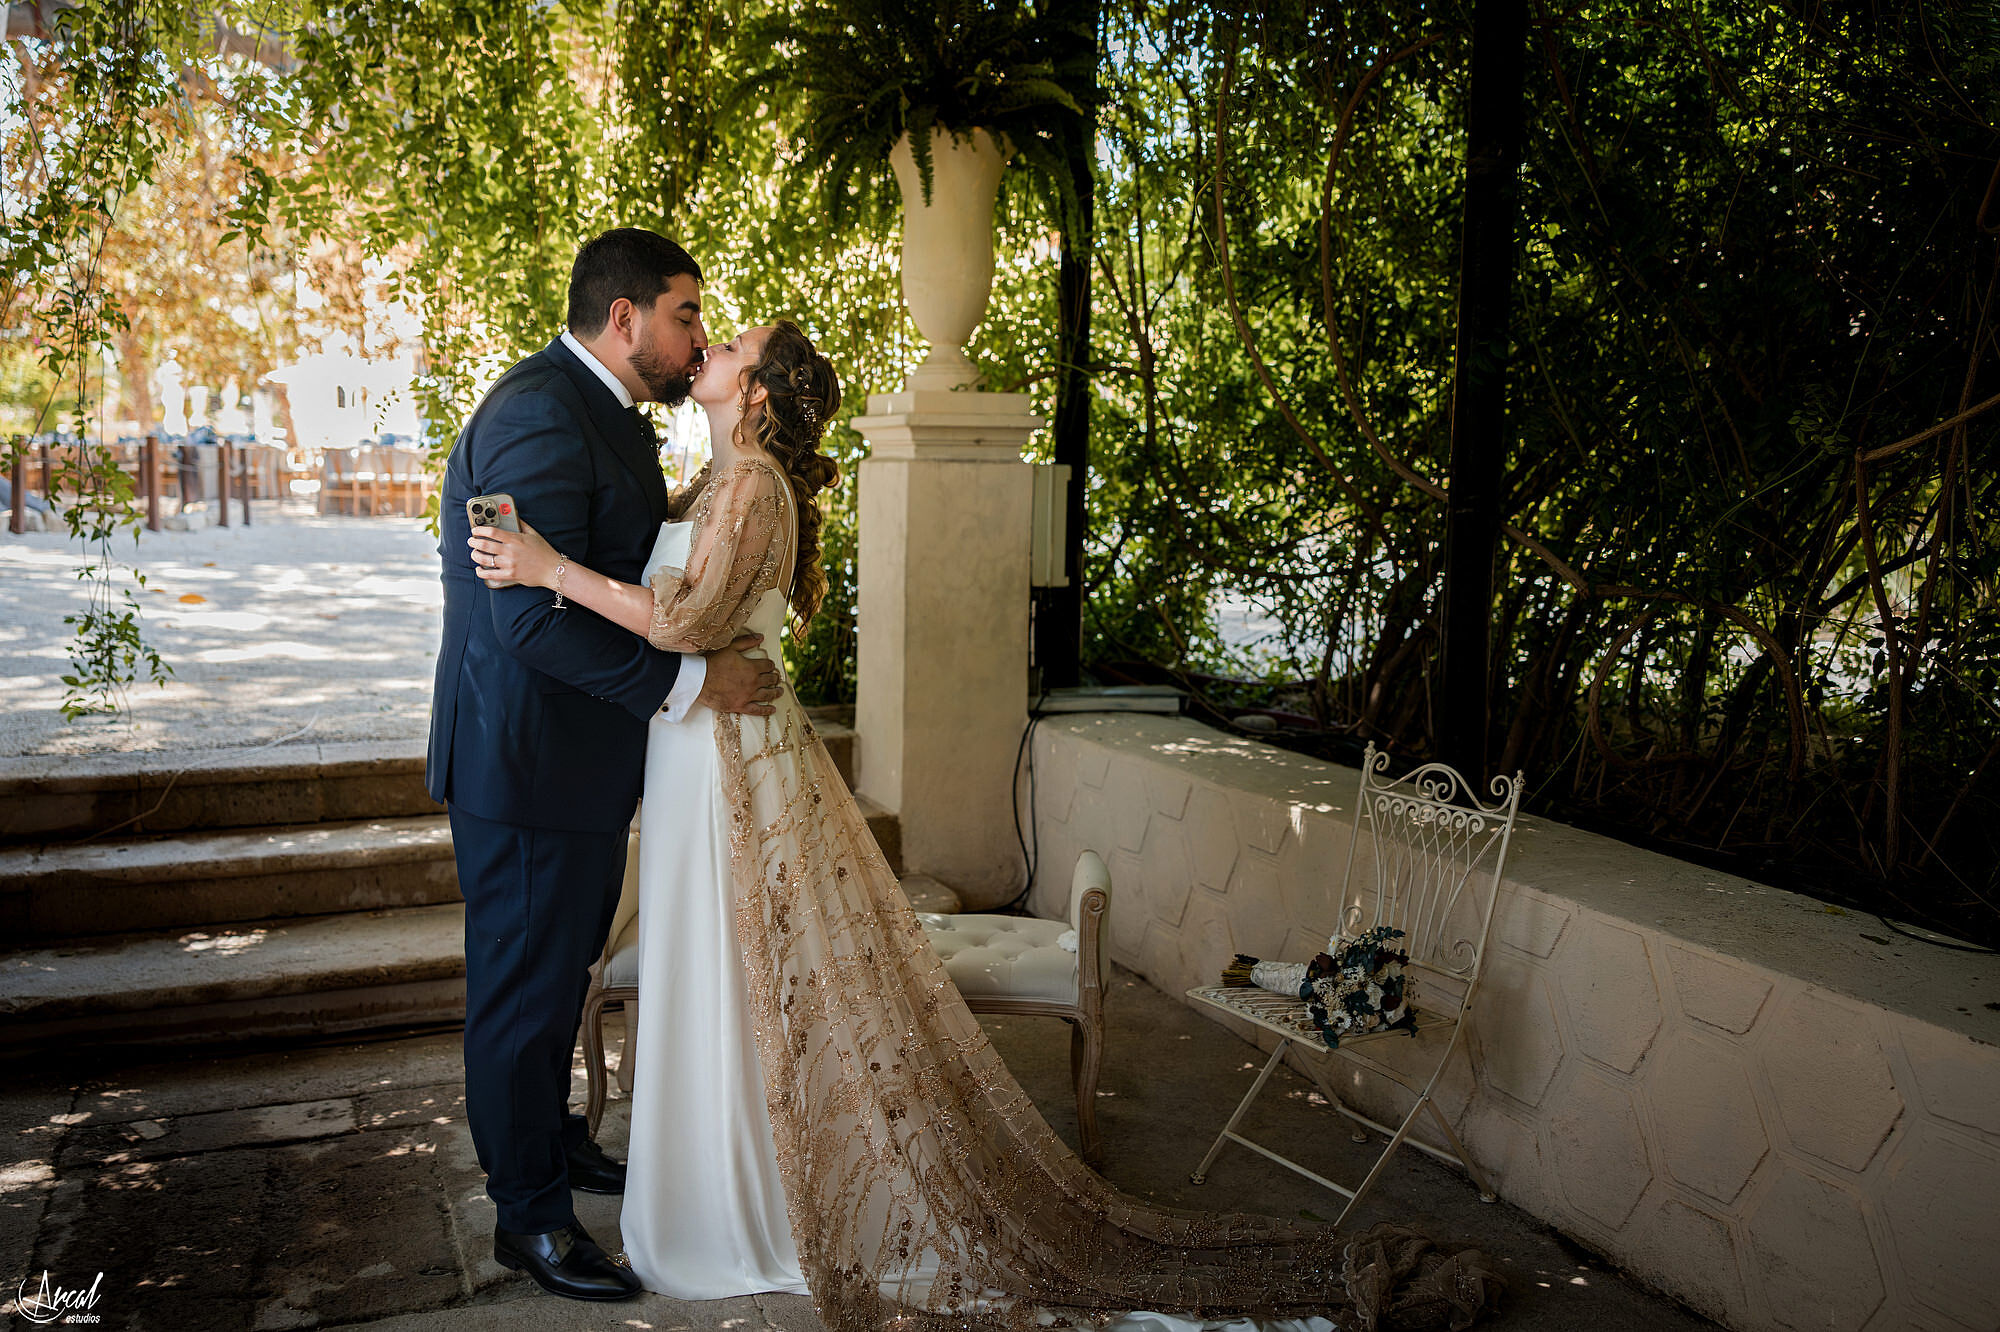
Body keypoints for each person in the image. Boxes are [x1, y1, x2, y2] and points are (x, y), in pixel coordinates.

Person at [469, 318, 1502, 1331]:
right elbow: (696, 619)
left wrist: (547, 569)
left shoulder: (749, 486)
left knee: (749, 976)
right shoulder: (710, 482)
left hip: (730, 766)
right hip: (698, 748)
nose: (709, 343)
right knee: (731, 977)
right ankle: (731, 1177)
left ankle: (751, 1202)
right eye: (707, 326)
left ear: (759, 395)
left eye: (729, 343)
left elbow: (687, 621)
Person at [426, 228, 784, 1303]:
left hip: (579, 765)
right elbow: (527, 619)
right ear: (622, 318)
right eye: (684, 315)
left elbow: (630, 568)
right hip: (524, 764)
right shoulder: (537, 410)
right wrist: (689, 689)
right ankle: (528, 1222)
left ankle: (552, 1149)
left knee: (555, 977)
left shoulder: (609, 416)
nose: (698, 336)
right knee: (521, 998)